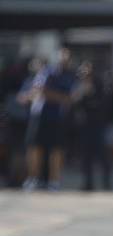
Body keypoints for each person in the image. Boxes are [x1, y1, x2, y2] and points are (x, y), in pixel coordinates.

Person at [21, 48, 75, 191]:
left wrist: (53, 95)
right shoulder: (47, 71)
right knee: (35, 148)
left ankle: (54, 181)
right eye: (62, 56)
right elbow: (39, 90)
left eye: (67, 57)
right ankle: (33, 179)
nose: (64, 59)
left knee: (56, 150)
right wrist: (59, 97)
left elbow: (69, 98)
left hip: (57, 118)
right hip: (39, 116)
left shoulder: (70, 76)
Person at [71, 61, 111, 191]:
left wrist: (91, 96)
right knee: (86, 156)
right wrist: (82, 94)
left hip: (98, 124)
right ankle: (88, 183)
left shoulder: (99, 85)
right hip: (85, 125)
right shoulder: (80, 86)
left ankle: (106, 182)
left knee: (102, 155)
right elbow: (75, 103)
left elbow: (104, 103)